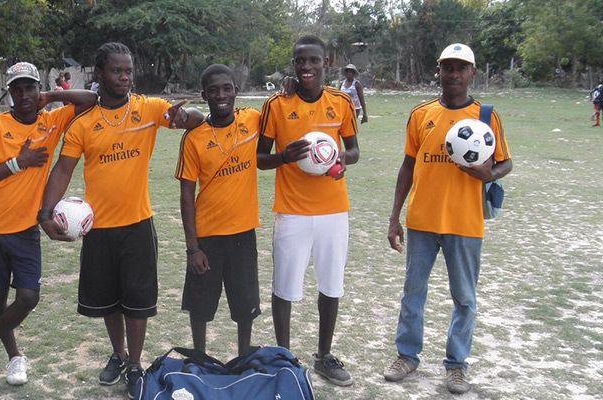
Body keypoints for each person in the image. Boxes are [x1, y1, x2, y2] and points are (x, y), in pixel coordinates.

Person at [38, 42, 203, 398]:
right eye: (116, 70)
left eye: (128, 71)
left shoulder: (148, 109)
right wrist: (44, 213)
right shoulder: (83, 123)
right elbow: (63, 169)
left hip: (138, 224)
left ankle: (135, 364)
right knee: (109, 301)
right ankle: (119, 353)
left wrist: (186, 117)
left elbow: (194, 118)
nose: (124, 77)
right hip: (97, 227)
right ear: (99, 73)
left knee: (137, 301)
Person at [383, 43, 513, 395]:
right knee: (413, 293)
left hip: (464, 223)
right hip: (422, 220)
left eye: (461, 68)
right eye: (448, 67)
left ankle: (456, 365)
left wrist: (488, 174)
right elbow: (407, 166)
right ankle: (407, 355)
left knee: (464, 298)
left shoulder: (485, 116)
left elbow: (506, 162)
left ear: (472, 73)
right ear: (438, 71)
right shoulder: (420, 114)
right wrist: (394, 218)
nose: (454, 74)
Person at [0, 62, 97, 386]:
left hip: (25, 229)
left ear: (39, 90)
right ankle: (14, 357)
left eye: (30, 88)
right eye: (17, 89)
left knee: (28, 297)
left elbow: (91, 100)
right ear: (9, 93)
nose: (24, 95)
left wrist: (52, 95)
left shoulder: (51, 121)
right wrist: (18, 162)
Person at [256, 34, 360, 387]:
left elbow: (354, 150)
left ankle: (324, 355)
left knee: (331, 284)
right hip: (292, 212)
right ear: (294, 64)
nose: (306, 67)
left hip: (333, 211)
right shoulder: (277, 104)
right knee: (284, 287)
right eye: (300, 61)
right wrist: (284, 157)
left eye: (313, 60)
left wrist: (342, 159)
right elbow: (260, 158)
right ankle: (284, 358)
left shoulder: (341, 102)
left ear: (326, 62)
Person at [176, 64, 261, 357]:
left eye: (226, 88)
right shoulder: (194, 138)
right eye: (213, 91)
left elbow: (280, 115)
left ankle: (243, 356)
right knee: (200, 306)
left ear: (236, 90)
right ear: (204, 95)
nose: (221, 95)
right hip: (207, 237)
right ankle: (200, 357)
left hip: (243, 234)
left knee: (245, 305)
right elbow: (186, 195)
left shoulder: (252, 120)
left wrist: (289, 86)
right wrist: (192, 248)